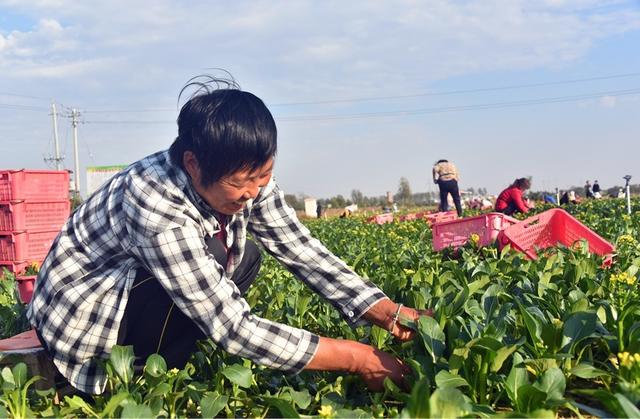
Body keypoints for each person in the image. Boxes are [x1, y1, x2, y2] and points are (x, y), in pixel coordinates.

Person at [27, 76, 430, 396]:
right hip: (83, 317)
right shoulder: (154, 202)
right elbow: (233, 326)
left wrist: (386, 311)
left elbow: (299, 247)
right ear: (193, 163)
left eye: (264, 176)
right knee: (214, 262)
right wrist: (357, 358)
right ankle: (128, 377)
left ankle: (162, 362)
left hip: (129, 296)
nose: (254, 191)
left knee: (243, 255)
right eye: (242, 182)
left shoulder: (245, 178)